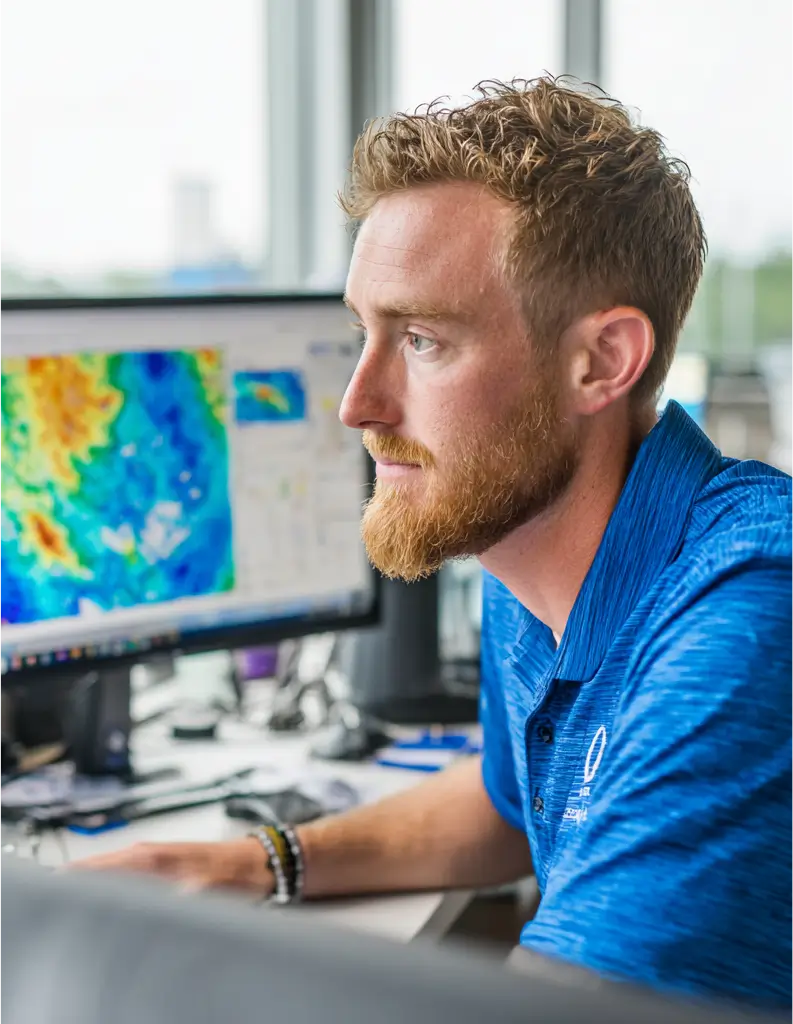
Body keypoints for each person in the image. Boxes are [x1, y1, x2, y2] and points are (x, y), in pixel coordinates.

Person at [73, 79, 793, 1009]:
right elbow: (507, 801)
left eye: (421, 340)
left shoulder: (743, 618)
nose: (356, 405)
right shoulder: (532, 543)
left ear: (601, 361)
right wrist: (258, 861)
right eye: (362, 333)